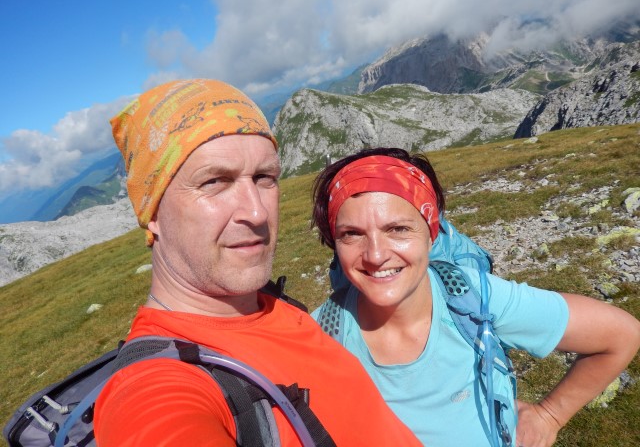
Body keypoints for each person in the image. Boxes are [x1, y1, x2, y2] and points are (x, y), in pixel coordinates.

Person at [94, 80, 422, 446]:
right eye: (214, 181)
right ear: (153, 213)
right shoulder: (155, 388)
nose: (256, 212)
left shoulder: (273, 305)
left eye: (265, 177)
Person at [310, 147, 640, 447]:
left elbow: (620, 335)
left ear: (431, 232)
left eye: (398, 229)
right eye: (351, 234)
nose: (376, 255)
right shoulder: (316, 337)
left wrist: (550, 415)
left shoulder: (473, 298)